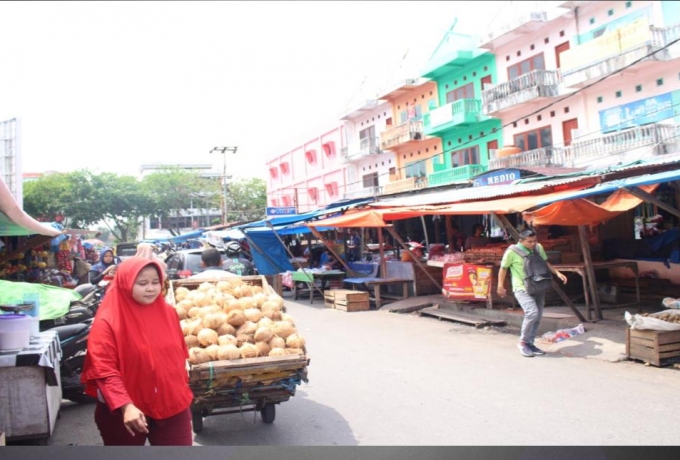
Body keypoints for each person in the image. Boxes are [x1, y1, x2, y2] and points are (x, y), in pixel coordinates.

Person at [80, 258, 193, 446]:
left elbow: (179, 354)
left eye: (155, 282)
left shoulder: (168, 313)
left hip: (171, 404)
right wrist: (125, 406)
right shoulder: (107, 321)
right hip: (125, 411)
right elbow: (104, 369)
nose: (150, 288)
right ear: (125, 282)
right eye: (142, 283)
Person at [497, 228, 568, 358]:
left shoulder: (538, 248)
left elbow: (546, 262)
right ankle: (523, 342)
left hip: (538, 286)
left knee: (538, 316)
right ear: (521, 240)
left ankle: (530, 343)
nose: (533, 244)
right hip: (521, 288)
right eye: (529, 242)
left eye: (535, 241)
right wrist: (500, 285)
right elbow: (503, 268)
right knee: (532, 312)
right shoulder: (512, 251)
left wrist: (557, 273)